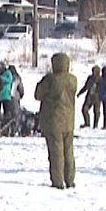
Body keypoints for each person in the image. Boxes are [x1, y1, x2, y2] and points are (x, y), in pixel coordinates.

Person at [36, 52, 78, 189]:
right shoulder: (73, 80)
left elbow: (38, 94)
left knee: (56, 153)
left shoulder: (50, 80)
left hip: (53, 121)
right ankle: (70, 180)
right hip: (69, 121)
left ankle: (58, 181)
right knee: (68, 152)